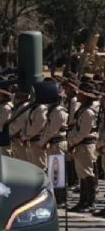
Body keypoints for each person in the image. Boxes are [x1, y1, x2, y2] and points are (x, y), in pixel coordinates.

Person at [68, 82, 99, 212]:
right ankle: (83, 201)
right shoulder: (82, 110)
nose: (78, 95)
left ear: (86, 96)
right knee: (81, 174)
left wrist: (73, 142)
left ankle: (90, 202)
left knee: (87, 173)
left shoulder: (88, 112)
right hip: (79, 145)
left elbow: (83, 132)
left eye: (81, 93)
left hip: (85, 145)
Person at [39, 85, 69, 205]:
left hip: (57, 143)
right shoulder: (53, 110)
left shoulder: (58, 111)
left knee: (58, 173)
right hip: (53, 143)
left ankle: (61, 199)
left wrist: (42, 142)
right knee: (54, 172)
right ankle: (57, 197)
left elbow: (52, 130)